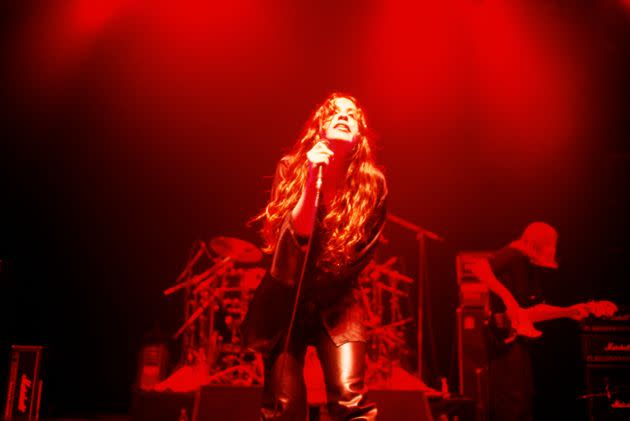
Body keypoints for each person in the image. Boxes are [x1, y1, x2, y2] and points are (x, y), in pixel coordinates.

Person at [242, 93, 387, 420]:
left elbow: (360, 256)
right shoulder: (292, 169)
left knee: (351, 401)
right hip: (286, 301)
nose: (343, 116)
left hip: (336, 299)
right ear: (319, 128)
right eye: (334, 112)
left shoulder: (373, 185)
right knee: (283, 409)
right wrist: (311, 178)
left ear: (359, 138)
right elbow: (293, 245)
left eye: (352, 115)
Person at [470, 222, 605, 421]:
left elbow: (532, 312)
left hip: (519, 343)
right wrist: (506, 296)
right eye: (551, 245)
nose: (553, 251)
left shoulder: (530, 267)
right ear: (538, 244)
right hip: (503, 343)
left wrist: (568, 311)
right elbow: (478, 267)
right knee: (512, 403)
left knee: (525, 401)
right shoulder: (514, 254)